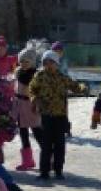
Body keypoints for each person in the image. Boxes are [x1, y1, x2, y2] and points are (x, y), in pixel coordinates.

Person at [27, 50, 88, 180]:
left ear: (57, 64)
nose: (48, 65)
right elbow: (32, 89)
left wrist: (83, 87)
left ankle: (58, 170)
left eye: (51, 62)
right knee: (46, 145)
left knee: (60, 145)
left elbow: (75, 86)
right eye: (45, 63)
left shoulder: (62, 77)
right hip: (46, 115)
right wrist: (34, 98)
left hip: (60, 116)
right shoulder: (40, 76)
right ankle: (44, 171)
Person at [12, 47, 41, 171]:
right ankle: (27, 160)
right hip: (19, 106)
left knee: (38, 132)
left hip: (31, 106)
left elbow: (39, 93)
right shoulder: (18, 73)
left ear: (32, 62)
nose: (23, 64)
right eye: (22, 61)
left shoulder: (36, 75)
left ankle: (49, 157)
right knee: (23, 134)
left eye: (27, 61)